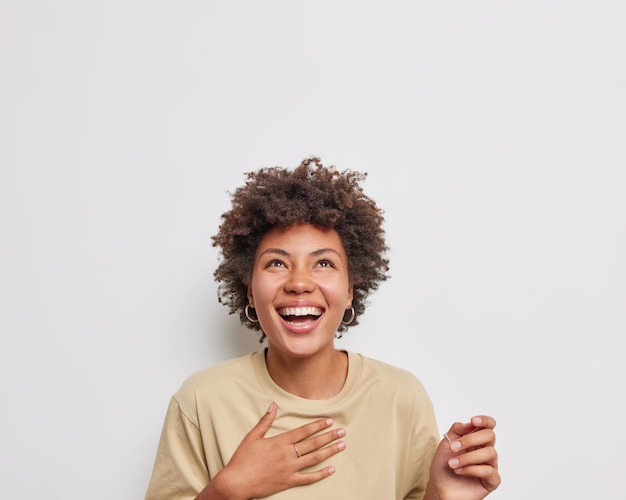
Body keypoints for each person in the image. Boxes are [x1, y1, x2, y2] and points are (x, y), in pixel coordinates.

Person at [145, 157, 500, 500]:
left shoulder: (400, 397)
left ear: (349, 292)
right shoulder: (201, 400)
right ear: (250, 292)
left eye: (324, 263)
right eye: (277, 263)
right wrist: (229, 490)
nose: (299, 282)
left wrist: (443, 498)